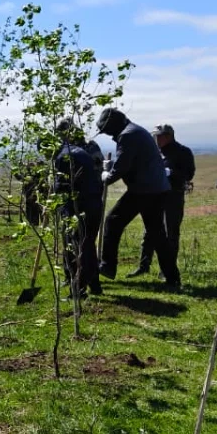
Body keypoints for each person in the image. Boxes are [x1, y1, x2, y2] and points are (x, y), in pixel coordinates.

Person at [96, 107, 181, 290]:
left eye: (107, 129)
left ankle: (108, 266)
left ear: (113, 125)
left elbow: (121, 168)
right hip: (153, 189)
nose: (107, 134)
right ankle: (173, 278)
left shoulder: (128, 135)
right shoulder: (135, 131)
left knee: (113, 221)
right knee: (157, 234)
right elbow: (129, 161)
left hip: (145, 190)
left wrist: (106, 176)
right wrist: (112, 167)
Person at [131, 125, 195, 278]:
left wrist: (171, 172)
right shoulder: (155, 152)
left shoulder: (183, 152)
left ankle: (167, 270)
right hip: (155, 195)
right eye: (155, 136)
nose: (156, 139)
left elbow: (189, 174)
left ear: (168, 136)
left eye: (159, 136)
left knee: (171, 233)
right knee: (149, 232)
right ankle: (144, 265)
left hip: (173, 196)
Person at [53, 119, 103, 296]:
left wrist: (54, 193)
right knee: (85, 244)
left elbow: (63, 183)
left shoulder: (72, 152)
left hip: (80, 202)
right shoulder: (75, 151)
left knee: (78, 243)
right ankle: (89, 284)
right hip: (91, 201)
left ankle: (79, 286)